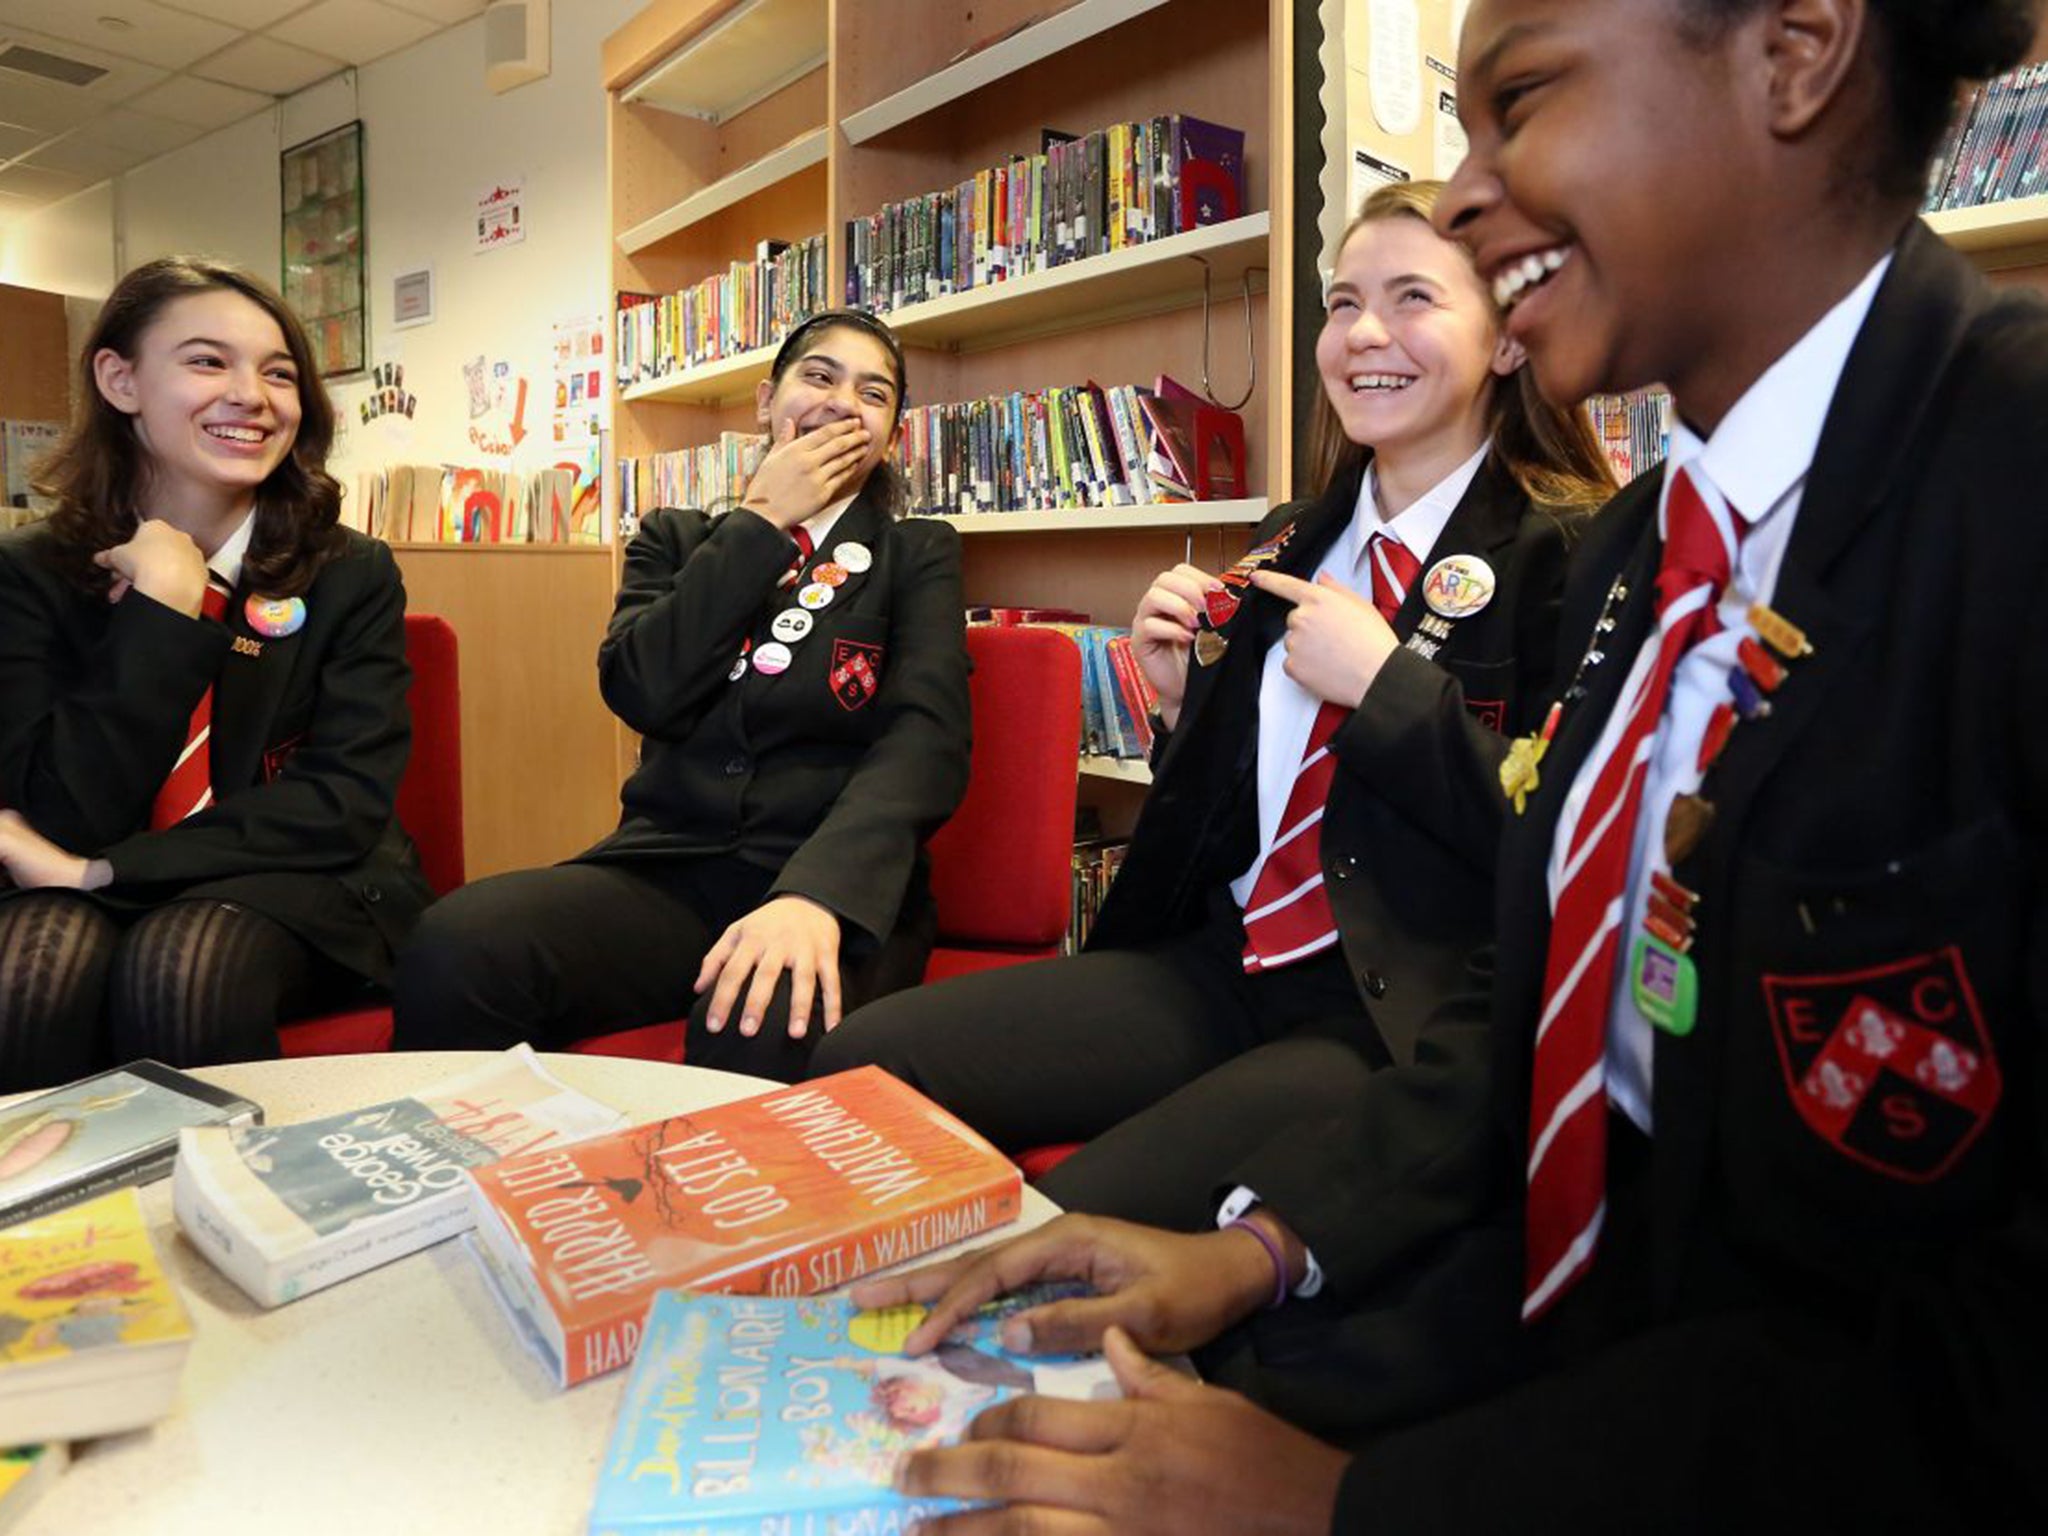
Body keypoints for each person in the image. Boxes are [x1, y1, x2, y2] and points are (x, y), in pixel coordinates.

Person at [848, 1, 2048, 1531]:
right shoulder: (1647, 550)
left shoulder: (2008, 479)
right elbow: (1540, 1003)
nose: (1471, 193)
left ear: (1797, 53)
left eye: (1522, 103)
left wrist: (1358, 1506)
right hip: (1523, 1319)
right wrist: (1263, 1246)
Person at [813, 181, 1613, 1331]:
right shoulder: (1295, 535)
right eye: (1343, 303)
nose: (1364, 336)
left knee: (1059, 1235)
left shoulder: (1572, 553)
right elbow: (1250, 807)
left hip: (1382, 1015)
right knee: (862, 1066)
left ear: (1500, 341)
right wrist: (1180, 700)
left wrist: (1391, 692)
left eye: (1411, 300)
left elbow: (1565, 856)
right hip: (1215, 964)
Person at [393, 310, 970, 1082]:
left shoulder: (917, 552)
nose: (841, 403)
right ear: (767, 401)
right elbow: (642, 689)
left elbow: (924, 741)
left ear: (892, 433)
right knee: (458, 943)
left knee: (760, 1014)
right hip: (668, 872)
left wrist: (815, 896)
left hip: (834, 884)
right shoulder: (679, 538)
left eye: (873, 393)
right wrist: (764, 519)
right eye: (819, 376)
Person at [0, 256, 429, 1090]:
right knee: (31, 963)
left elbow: (338, 804)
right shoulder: (28, 573)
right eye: (207, 361)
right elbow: (57, 810)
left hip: (297, 885)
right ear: (120, 379)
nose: (252, 396)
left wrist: (106, 874)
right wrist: (162, 606)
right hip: (65, 876)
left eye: (278, 373)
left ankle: (231, 1217)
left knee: (183, 959)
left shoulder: (349, 571)